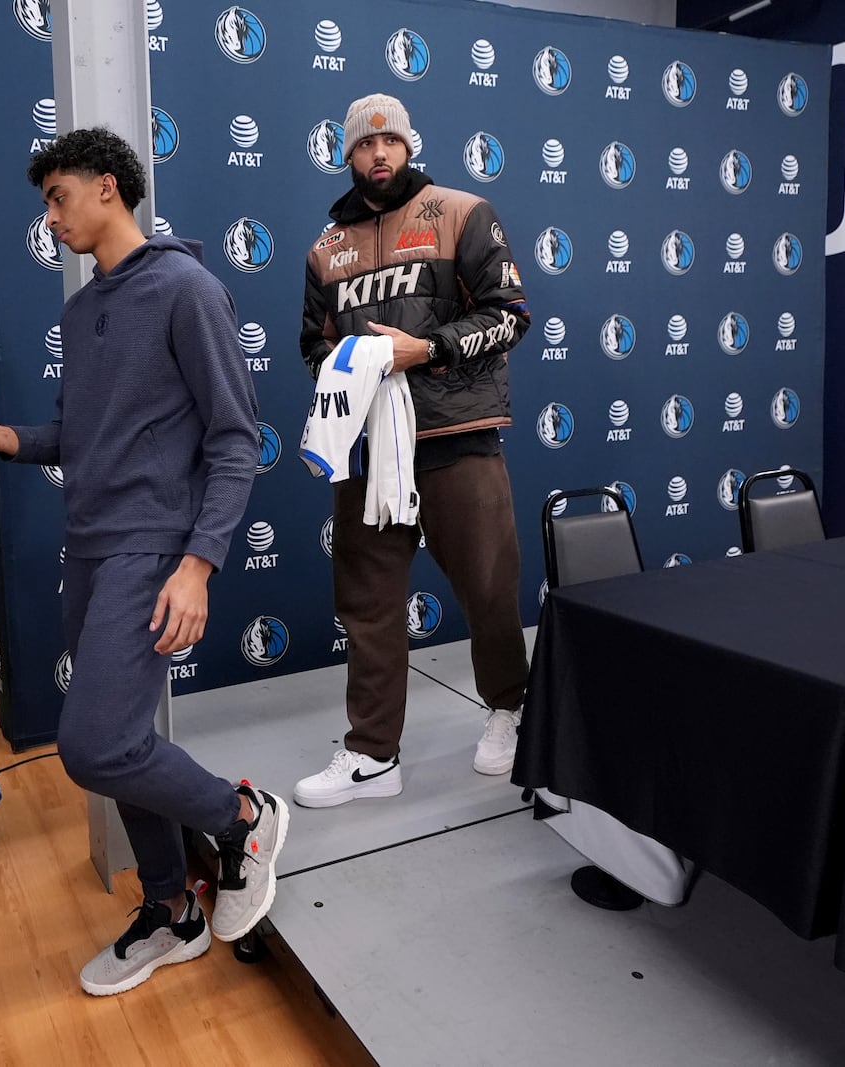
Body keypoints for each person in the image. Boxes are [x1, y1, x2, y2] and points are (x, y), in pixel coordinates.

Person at [0, 128, 288, 995]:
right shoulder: (81, 308)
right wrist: (3, 437)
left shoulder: (186, 288)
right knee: (124, 740)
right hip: (89, 548)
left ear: (107, 188)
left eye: (58, 198)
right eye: (45, 203)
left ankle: (243, 816)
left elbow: (236, 438)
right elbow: (79, 436)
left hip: (152, 548)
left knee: (92, 745)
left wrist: (199, 564)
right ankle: (172, 909)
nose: (50, 217)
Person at [294, 94, 532, 808]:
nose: (378, 155)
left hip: (456, 437)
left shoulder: (462, 211)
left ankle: (511, 709)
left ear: (407, 145)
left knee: (489, 587)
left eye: (389, 142)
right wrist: (345, 366)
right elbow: (312, 345)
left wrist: (425, 349)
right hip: (368, 448)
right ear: (346, 155)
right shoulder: (324, 249)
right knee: (367, 604)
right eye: (364, 146)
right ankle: (373, 752)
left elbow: (510, 315)